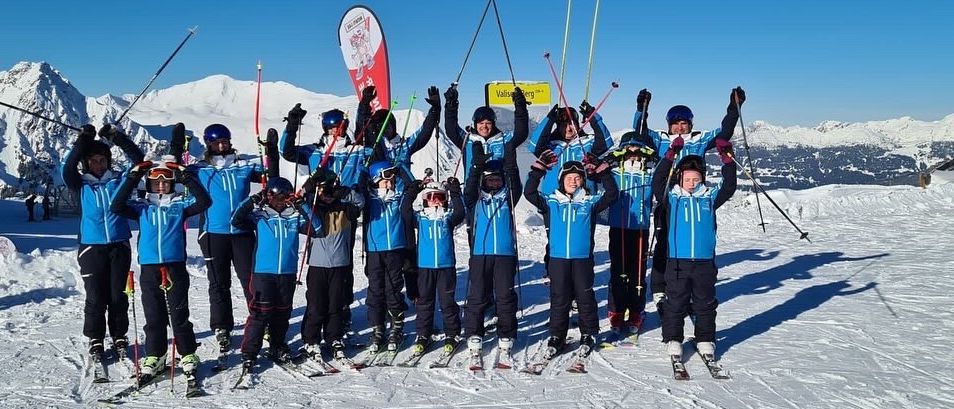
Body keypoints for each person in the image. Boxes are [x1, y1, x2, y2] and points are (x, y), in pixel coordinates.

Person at [631, 87, 745, 314]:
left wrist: (734, 107)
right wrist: (641, 108)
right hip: (668, 197)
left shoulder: (699, 139)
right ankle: (661, 288)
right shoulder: (660, 139)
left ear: (690, 125)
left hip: (694, 197)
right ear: (669, 125)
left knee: (697, 239)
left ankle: (695, 289)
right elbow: (640, 130)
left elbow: (724, 132)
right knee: (665, 241)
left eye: (684, 124)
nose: (680, 128)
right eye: (676, 124)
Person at [110, 157, 212, 382]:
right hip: (149, 268)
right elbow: (115, 206)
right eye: (157, 182)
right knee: (154, 315)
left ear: (173, 184)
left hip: (174, 266)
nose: (162, 185)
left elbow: (205, 201)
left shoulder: (179, 205)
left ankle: (188, 354)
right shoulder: (141, 207)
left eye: (167, 181)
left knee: (178, 314)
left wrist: (187, 176)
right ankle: (156, 355)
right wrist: (133, 176)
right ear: (149, 184)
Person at [185, 122, 279, 355]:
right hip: (213, 233)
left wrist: (272, 153)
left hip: (242, 231)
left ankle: (259, 320)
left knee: (250, 279)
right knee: (218, 283)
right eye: (216, 143)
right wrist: (179, 149)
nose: (221, 146)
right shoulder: (200, 169)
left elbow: (271, 178)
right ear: (208, 144)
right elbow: (178, 173)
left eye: (225, 142)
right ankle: (221, 326)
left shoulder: (243, 166)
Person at [282, 104, 373, 343]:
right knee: (321, 259)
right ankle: (317, 309)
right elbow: (288, 152)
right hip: (319, 209)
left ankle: (342, 307)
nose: (336, 133)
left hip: (345, 208)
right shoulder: (315, 150)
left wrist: (364, 110)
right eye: (332, 129)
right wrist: (292, 125)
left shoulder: (356, 149)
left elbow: (374, 150)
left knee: (345, 260)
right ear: (325, 129)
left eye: (340, 128)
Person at [61, 124, 144, 362]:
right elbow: (67, 168)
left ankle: (119, 335)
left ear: (108, 161)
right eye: (94, 161)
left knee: (118, 295)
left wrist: (117, 138)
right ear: (86, 164)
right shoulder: (79, 184)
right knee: (96, 296)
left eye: (102, 160)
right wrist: (83, 141)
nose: (99, 164)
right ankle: (95, 337)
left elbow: (139, 162)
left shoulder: (118, 181)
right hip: (91, 246)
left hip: (119, 244)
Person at [524, 156, 618, 359]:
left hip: (582, 259)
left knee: (585, 297)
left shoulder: (589, 202)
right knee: (559, 299)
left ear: (583, 181)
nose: (574, 181)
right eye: (569, 178)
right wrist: (538, 171)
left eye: (578, 178)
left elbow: (612, 195)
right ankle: (557, 336)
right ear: (561, 181)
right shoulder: (551, 202)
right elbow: (529, 193)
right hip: (558, 259)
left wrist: (603, 173)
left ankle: (589, 334)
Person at [651, 138, 737, 361]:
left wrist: (727, 160)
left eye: (696, 179)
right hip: (677, 262)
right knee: (675, 303)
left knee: (704, 303)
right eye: (687, 179)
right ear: (679, 178)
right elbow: (658, 181)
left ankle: (705, 340)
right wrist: (670, 155)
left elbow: (729, 187)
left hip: (704, 262)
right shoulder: (671, 198)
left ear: (702, 179)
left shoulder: (708, 197)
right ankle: (673, 339)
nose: (691, 183)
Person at [358, 85, 441, 305]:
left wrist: (434, 110)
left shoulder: (403, 145)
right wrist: (364, 105)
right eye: (379, 126)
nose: (384, 130)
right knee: (379, 256)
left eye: (388, 125)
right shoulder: (373, 148)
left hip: (402, 202)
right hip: (379, 204)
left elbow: (423, 134)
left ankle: (413, 294)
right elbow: (361, 128)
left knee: (408, 252)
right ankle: (386, 296)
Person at [231, 176, 322, 370]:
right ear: (268, 196)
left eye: (285, 197)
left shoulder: (294, 216)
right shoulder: (260, 215)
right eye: (275, 197)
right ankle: (249, 352)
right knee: (260, 314)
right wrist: (253, 200)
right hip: (263, 273)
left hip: (287, 273)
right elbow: (235, 220)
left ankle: (278, 345)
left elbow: (318, 229)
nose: (280, 201)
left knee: (282, 313)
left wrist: (302, 205)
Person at [461, 142, 522, 368]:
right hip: (480, 254)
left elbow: (516, 184)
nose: (494, 183)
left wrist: (510, 163)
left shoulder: (509, 199)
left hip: (505, 255)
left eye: (497, 179)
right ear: (484, 182)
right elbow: (468, 190)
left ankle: (506, 336)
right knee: (477, 296)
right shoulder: (476, 199)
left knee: (505, 297)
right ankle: (474, 336)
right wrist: (476, 167)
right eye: (490, 180)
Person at [299, 168, 365, 363]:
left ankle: (334, 337)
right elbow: (301, 200)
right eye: (323, 192)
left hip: (340, 263)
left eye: (330, 192)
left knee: (336, 304)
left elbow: (360, 202)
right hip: (318, 265)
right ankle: (311, 340)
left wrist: (343, 192)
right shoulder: (312, 208)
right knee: (317, 304)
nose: (326, 197)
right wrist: (313, 185)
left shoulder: (345, 208)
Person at [598, 132, 658, 339]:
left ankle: (635, 311)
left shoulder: (650, 174)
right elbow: (595, 173)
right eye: (628, 149)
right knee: (618, 273)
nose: (633, 154)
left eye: (638, 150)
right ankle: (616, 312)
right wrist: (612, 158)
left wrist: (654, 157)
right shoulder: (615, 173)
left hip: (640, 229)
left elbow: (667, 173)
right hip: (618, 229)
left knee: (638, 274)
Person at [400, 177, 465, 356]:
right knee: (424, 302)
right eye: (431, 196)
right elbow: (404, 212)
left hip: (446, 266)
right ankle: (423, 334)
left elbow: (460, 212)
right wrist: (412, 191)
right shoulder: (420, 218)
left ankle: (452, 334)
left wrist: (455, 192)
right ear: (424, 199)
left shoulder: (448, 217)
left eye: (439, 196)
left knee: (447, 302)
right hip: (425, 267)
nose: (435, 200)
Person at [362, 161, 412, 352]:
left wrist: (401, 169)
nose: (390, 181)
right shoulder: (369, 198)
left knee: (393, 288)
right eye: (386, 178)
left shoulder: (398, 196)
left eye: (392, 177)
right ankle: (377, 328)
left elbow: (411, 186)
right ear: (376, 179)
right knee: (375, 290)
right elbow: (356, 195)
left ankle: (396, 328)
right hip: (375, 250)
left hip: (394, 249)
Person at [443, 85, 529, 181]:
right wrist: (451, 104)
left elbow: (521, 132)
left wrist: (520, 107)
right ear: (475, 124)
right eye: (481, 123)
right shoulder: (467, 141)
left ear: (493, 124)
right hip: (473, 192)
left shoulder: (504, 140)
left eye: (488, 123)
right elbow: (451, 128)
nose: (484, 126)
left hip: (500, 193)